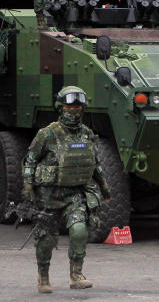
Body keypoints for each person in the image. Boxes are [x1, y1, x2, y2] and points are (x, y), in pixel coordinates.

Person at [21, 86, 110, 293]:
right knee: (46, 238)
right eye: (69, 106)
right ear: (60, 108)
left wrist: (104, 187)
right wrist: (28, 186)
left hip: (75, 194)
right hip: (48, 195)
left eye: (78, 106)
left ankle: (76, 275)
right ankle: (43, 276)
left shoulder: (87, 134)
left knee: (79, 230)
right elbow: (30, 161)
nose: (74, 110)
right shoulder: (47, 134)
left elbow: (95, 164)